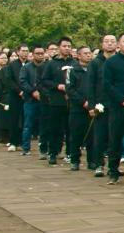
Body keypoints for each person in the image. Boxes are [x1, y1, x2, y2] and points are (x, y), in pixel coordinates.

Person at [103, 34, 124, 184]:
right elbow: (108, 85)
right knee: (114, 140)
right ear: (119, 45)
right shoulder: (111, 62)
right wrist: (122, 100)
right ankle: (113, 172)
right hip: (117, 106)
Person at [38, 37, 75, 166]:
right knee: (55, 128)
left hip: (72, 101)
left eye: (69, 46)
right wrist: (57, 86)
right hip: (56, 100)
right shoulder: (51, 64)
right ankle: (52, 152)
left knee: (71, 128)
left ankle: (71, 153)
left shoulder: (74, 63)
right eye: (64, 46)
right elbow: (44, 80)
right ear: (59, 47)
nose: (67, 48)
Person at [87, 36, 115, 176]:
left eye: (112, 41)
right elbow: (90, 85)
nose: (110, 44)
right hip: (100, 104)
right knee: (99, 136)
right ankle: (98, 164)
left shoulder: (119, 61)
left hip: (117, 104)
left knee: (115, 137)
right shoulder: (95, 63)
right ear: (102, 44)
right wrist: (91, 106)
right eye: (107, 41)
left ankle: (113, 167)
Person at [65, 46, 93, 171]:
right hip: (77, 107)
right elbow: (70, 89)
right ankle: (75, 160)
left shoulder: (94, 68)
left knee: (92, 135)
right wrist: (83, 101)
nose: (88, 55)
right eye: (85, 53)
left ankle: (92, 160)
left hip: (92, 107)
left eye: (89, 53)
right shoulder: (72, 70)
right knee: (76, 134)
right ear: (79, 55)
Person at [19, 45, 48, 157]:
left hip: (44, 99)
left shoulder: (47, 66)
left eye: (42, 53)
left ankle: (44, 149)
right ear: (33, 54)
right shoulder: (26, 67)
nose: (40, 56)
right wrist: (33, 91)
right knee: (28, 124)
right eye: (37, 53)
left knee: (44, 125)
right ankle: (26, 148)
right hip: (30, 99)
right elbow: (22, 82)